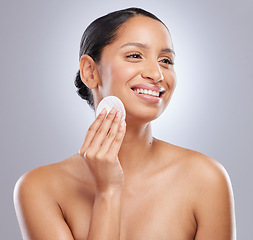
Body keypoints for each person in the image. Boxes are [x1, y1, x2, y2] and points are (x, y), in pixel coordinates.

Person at [14, 7, 236, 240]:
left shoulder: (206, 178)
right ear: (90, 71)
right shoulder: (39, 188)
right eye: (134, 55)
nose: (157, 74)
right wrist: (107, 192)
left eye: (166, 60)